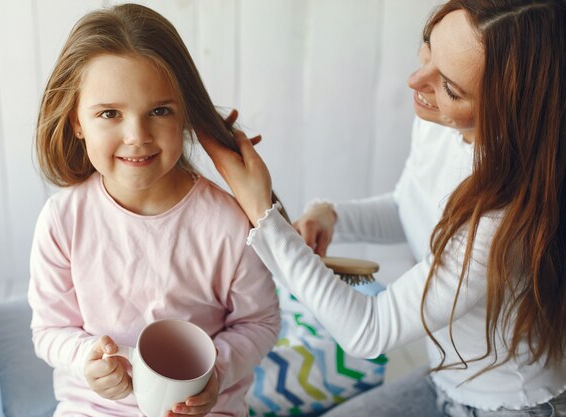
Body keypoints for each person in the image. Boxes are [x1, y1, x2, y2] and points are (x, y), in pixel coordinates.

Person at [198, 1, 566, 416]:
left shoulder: (501, 220)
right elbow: (408, 207)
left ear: (509, 112)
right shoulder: (444, 128)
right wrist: (330, 214)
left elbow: (368, 330)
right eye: (428, 48)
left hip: (505, 406)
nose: (415, 80)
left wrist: (261, 211)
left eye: (449, 87)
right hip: (442, 377)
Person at [28, 4, 281, 417]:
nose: (137, 136)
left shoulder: (228, 224)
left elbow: (261, 323)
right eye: (109, 113)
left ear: (184, 115)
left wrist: (214, 372)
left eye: (159, 111)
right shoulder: (63, 221)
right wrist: (87, 358)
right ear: (76, 122)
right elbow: (49, 331)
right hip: (93, 408)